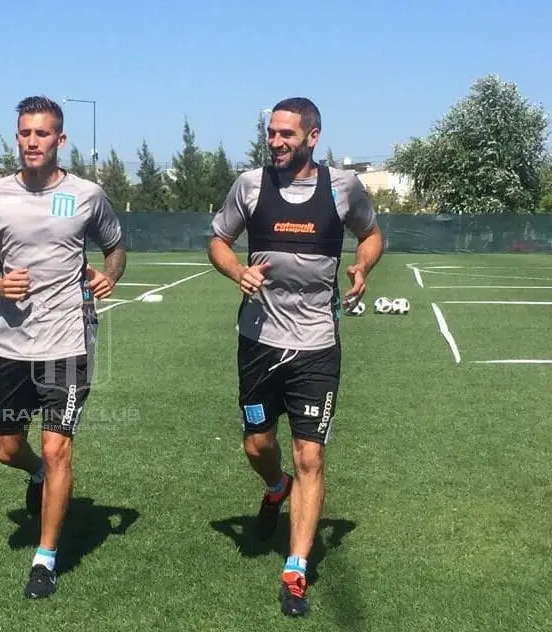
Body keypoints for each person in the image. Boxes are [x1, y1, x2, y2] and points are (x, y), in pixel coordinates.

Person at [207, 97, 383, 617]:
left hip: (316, 344)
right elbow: (218, 239)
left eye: (287, 134)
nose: (277, 142)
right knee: (257, 443)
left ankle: (296, 570)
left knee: (311, 455)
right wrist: (235, 270)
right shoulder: (251, 185)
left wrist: (362, 267)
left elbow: (371, 235)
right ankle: (273, 485)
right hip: (259, 339)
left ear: (313, 136)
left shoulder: (342, 187)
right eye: (272, 134)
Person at [0, 95, 127, 600]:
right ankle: (32, 471)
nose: (32, 142)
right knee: (7, 448)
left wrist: (108, 276)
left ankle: (45, 557)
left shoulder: (87, 195)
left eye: (42, 133)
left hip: (67, 342)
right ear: (17, 137)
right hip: (10, 344)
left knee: (59, 449)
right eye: (25, 133)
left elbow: (115, 248)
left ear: (61, 139)